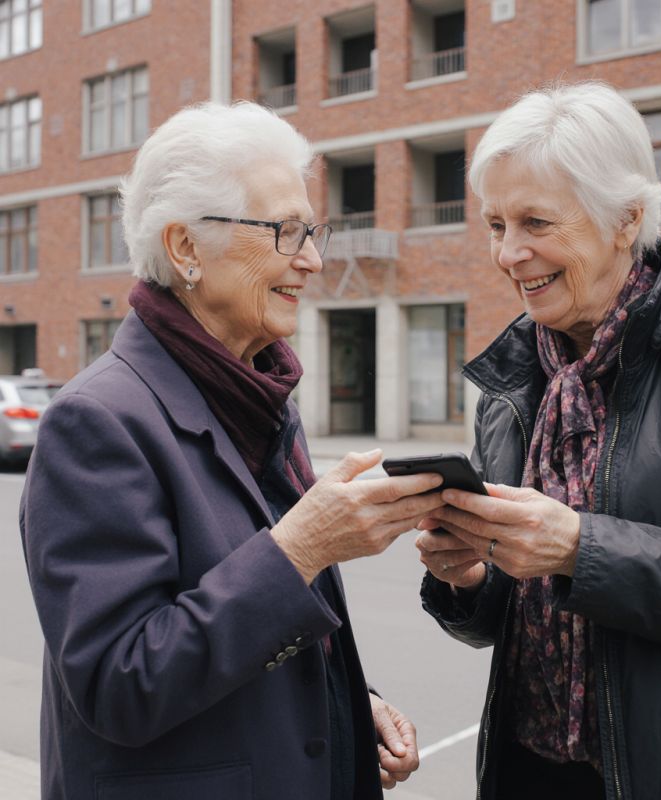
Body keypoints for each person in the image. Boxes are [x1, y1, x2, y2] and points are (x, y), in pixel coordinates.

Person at [20, 101, 444, 800]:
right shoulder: (96, 422)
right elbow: (119, 684)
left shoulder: (257, 395)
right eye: (283, 232)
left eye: (311, 232)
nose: (310, 259)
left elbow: (252, 626)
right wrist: (301, 547)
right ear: (185, 248)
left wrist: (341, 701)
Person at [416, 81, 661, 800]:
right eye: (495, 224)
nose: (508, 253)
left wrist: (577, 549)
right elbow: (507, 620)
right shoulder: (513, 380)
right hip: (529, 772)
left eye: (535, 221)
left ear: (625, 219)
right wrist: (469, 578)